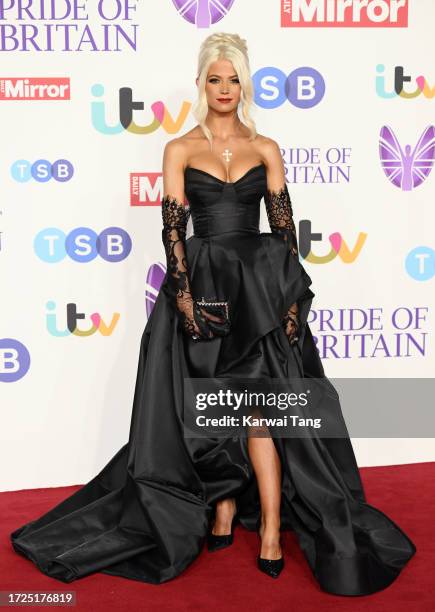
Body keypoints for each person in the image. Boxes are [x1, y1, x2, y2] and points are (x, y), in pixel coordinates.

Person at [10, 32, 416, 596]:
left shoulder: (266, 147)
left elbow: (283, 231)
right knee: (211, 409)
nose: (224, 88)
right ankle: (224, 509)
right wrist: (184, 299)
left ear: (244, 85)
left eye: (234, 79)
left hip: (259, 295)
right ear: (200, 83)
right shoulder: (179, 148)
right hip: (202, 287)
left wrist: (291, 301)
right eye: (214, 78)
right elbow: (173, 229)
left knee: (260, 413)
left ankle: (271, 526)